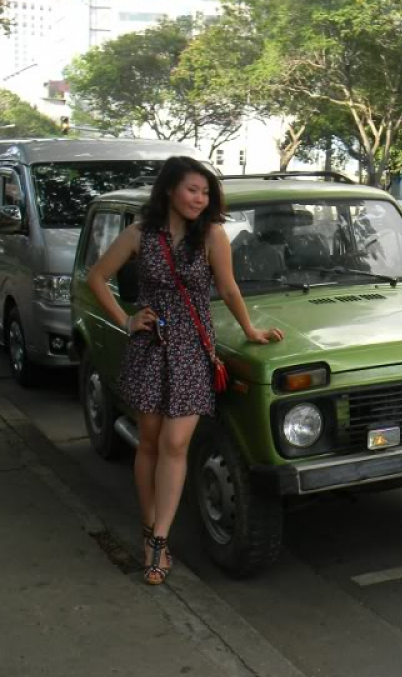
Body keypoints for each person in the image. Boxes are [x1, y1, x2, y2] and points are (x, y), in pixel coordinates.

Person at [88, 156, 284, 585]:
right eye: (193, 190)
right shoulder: (140, 234)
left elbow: (229, 287)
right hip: (151, 347)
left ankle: (160, 539)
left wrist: (250, 329)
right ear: (170, 191)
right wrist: (126, 319)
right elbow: (97, 277)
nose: (200, 198)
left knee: (177, 443)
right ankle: (148, 529)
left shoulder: (213, 236)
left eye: (205, 192)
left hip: (194, 350)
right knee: (151, 443)